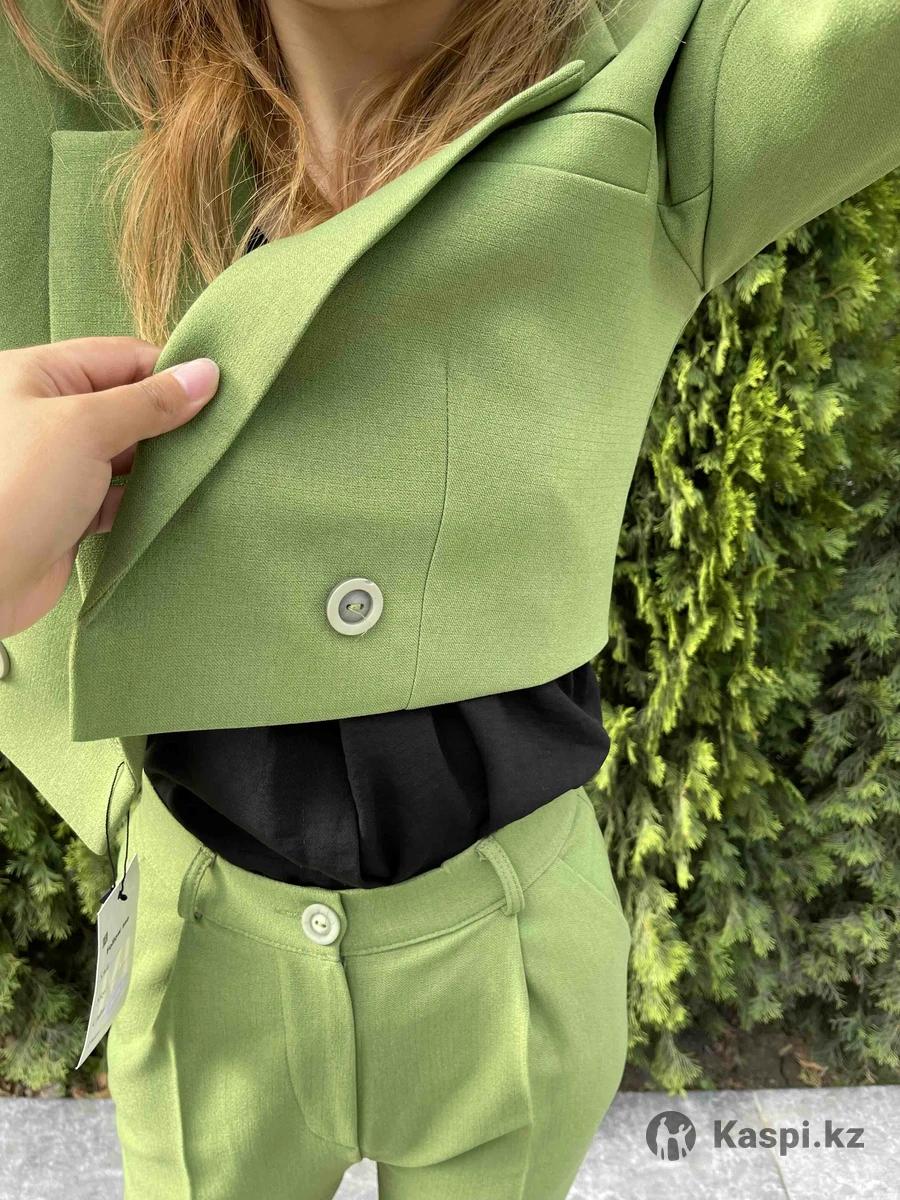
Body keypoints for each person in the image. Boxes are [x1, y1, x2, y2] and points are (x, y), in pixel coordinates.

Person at [0, 0, 897, 1196]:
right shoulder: (69, 62)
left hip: (508, 951)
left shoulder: (658, 80)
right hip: (199, 942)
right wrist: (106, 793)